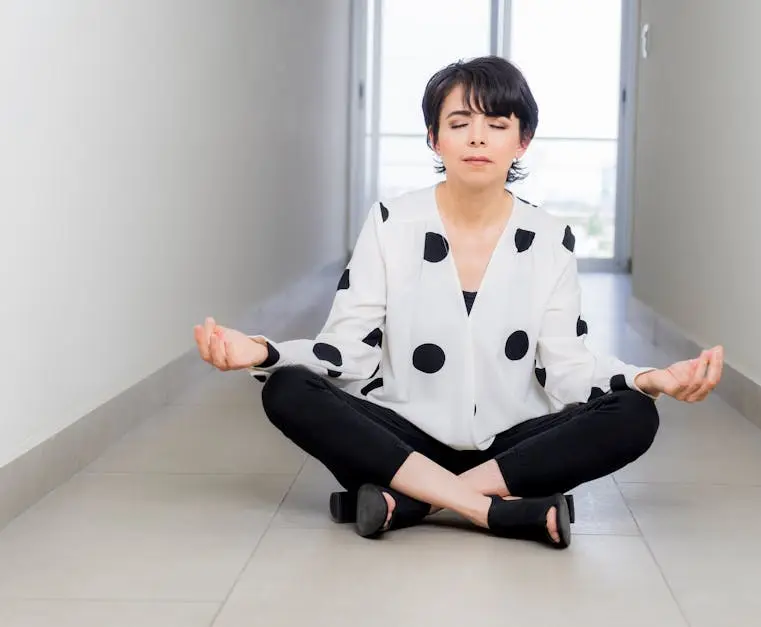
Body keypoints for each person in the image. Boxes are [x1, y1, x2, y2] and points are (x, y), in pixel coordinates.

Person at [193, 56, 723, 549]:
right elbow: (347, 352)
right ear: (434, 138)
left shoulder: (548, 237)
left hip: (509, 450)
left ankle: (413, 505)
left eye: (497, 125)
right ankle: (493, 512)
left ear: (522, 142)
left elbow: (568, 371)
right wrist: (263, 353)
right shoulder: (392, 223)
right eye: (459, 122)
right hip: (403, 440)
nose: (477, 138)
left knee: (635, 413)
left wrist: (650, 379)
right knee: (287, 389)